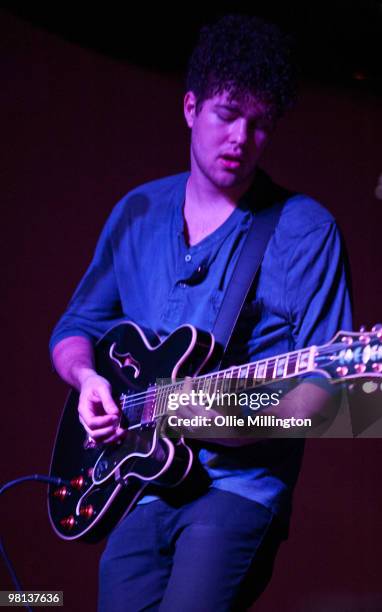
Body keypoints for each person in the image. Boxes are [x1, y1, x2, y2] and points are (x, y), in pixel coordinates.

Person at [49, 14, 353, 611]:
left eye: (260, 124)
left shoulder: (304, 229)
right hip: (140, 486)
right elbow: (75, 329)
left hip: (238, 490)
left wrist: (228, 418)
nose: (241, 137)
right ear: (190, 108)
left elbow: (332, 391)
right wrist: (88, 381)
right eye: (227, 114)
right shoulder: (136, 211)